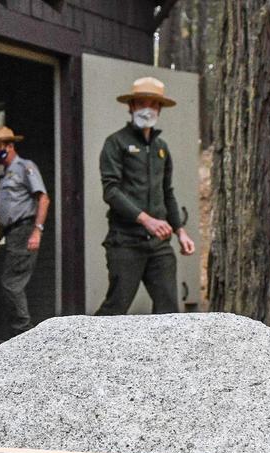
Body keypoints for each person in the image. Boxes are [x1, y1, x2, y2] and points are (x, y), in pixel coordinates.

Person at [95, 77, 195, 315]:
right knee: (116, 307)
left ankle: (168, 352)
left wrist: (180, 231)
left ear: (160, 109)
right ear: (131, 107)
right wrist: (145, 220)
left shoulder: (162, 148)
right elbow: (111, 191)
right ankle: (85, 349)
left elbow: (167, 192)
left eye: (153, 104)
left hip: (159, 246)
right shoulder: (116, 143)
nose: (147, 109)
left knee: (169, 310)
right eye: (141, 103)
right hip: (125, 241)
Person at [0, 126, 50, 341]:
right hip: (12, 232)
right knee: (10, 283)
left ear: (10, 146)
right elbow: (7, 214)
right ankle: (21, 334)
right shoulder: (5, 177)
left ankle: (24, 335)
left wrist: (37, 231)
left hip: (25, 230)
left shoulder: (25, 167)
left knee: (11, 283)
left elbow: (43, 198)